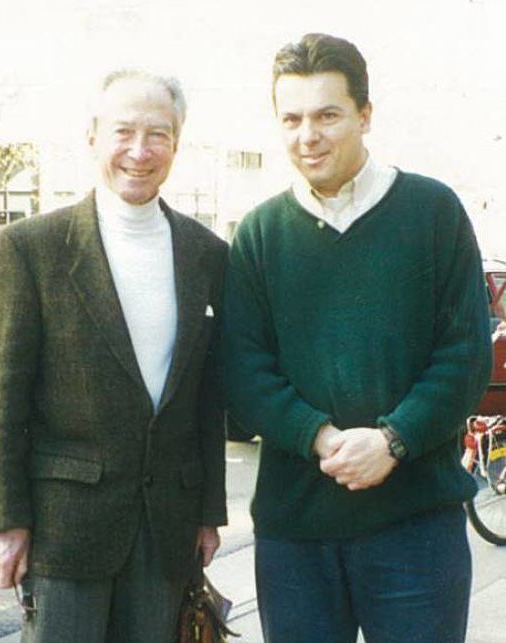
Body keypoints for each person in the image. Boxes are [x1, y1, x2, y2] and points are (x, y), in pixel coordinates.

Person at [222, 33, 492, 643]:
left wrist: (394, 440)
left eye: (327, 115)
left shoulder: (432, 212)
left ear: (365, 115)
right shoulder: (260, 234)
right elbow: (245, 369)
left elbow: (465, 355)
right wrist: (319, 437)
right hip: (297, 538)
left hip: (416, 528)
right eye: (291, 119)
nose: (308, 136)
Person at [0, 69, 228, 643]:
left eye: (158, 134)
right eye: (124, 132)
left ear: (177, 143)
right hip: (64, 527)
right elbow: (1, 397)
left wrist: (207, 512)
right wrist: (5, 520)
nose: (140, 151)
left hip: (166, 526)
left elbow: (206, 399)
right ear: (92, 136)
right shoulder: (32, 248)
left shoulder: (207, 254)